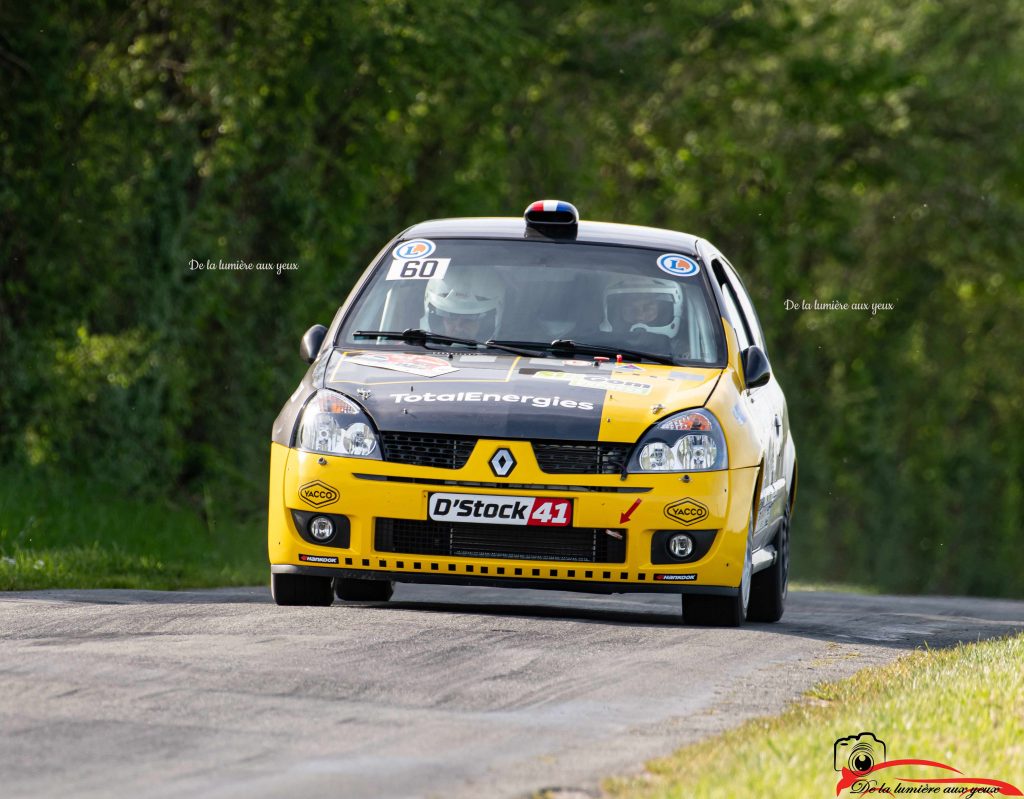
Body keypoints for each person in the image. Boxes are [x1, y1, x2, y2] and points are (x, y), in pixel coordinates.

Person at [422, 269, 505, 340]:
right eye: (451, 317)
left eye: (469, 318)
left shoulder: (512, 347)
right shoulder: (416, 345)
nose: (459, 327)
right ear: (439, 318)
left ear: (486, 321)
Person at [600, 276, 684, 340]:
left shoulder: (684, 353)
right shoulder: (604, 345)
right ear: (620, 309)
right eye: (631, 308)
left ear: (662, 309)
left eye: (648, 308)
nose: (639, 316)